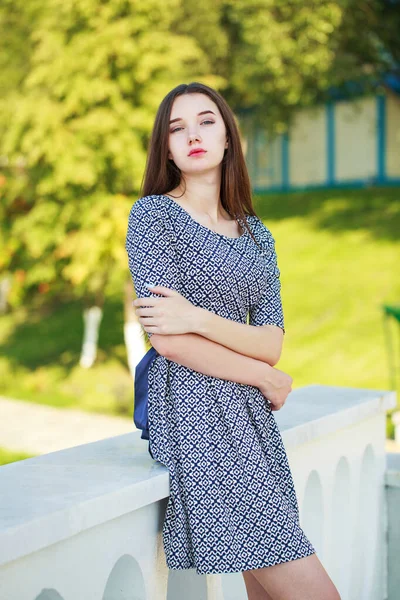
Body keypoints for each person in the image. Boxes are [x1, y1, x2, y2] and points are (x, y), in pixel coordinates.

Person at [125, 82, 341, 600]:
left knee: (266, 593)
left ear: (228, 139)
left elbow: (272, 342)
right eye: (177, 128)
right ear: (167, 149)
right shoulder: (152, 218)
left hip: (252, 424)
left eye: (206, 122)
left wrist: (194, 315)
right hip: (198, 420)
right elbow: (169, 344)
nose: (192, 135)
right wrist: (262, 375)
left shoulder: (257, 234)